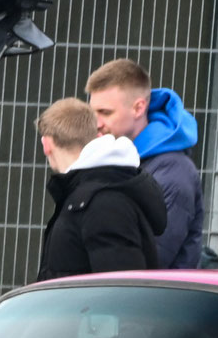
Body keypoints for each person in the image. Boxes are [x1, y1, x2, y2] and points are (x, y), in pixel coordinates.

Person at [85, 58, 203, 270]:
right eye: (92, 113)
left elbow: (149, 261)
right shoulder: (124, 163)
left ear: (139, 108)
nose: (97, 123)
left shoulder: (173, 171)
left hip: (153, 300)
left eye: (105, 112)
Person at [35, 97, 165, 282]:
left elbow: (121, 289)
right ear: (97, 136)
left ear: (46, 144)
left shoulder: (103, 202)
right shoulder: (89, 194)